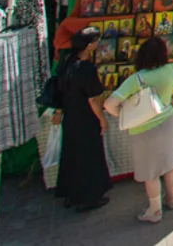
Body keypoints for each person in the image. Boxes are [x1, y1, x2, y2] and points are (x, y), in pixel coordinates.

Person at [103, 36, 173, 224]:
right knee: (169, 164)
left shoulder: (137, 79)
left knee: (151, 172)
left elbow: (109, 103)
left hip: (144, 129)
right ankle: (171, 199)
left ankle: (154, 211)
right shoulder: (171, 70)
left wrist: (122, 115)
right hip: (168, 121)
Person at [53, 27, 112, 213]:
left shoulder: (67, 62)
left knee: (72, 155)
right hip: (85, 117)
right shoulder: (86, 68)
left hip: (71, 116)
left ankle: (72, 194)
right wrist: (102, 119)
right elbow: (93, 99)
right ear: (89, 45)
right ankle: (89, 197)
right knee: (89, 157)